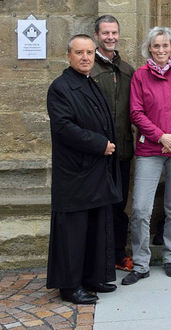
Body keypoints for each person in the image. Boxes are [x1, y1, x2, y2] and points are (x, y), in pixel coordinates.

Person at [122, 27, 171, 285]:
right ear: (149, 48)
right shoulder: (140, 76)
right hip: (150, 149)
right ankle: (142, 263)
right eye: (156, 46)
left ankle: (170, 257)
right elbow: (136, 112)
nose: (161, 50)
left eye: (165, 46)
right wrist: (161, 136)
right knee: (141, 209)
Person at [46, 34, 121, 304]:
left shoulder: (90, 82)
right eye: (79, 53)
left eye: (89, 52)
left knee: (95, 227)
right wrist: (100, 144)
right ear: (69, 56)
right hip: (75, 173)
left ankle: (91, 277)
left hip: (95, 171)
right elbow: (64, 128)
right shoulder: (60, 87)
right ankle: (70, 286)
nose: (86, 57)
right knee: (73, 232)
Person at [90, 15, 135, 272]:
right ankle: (99, 257)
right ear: (97, 35)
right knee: (99, 205)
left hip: (123, 151)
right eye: (105, 33)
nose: (110, 37)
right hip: (97, 151)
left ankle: (118, 253)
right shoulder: (90, 69)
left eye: (114, 33)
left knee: (119, 205)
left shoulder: (127, 70)